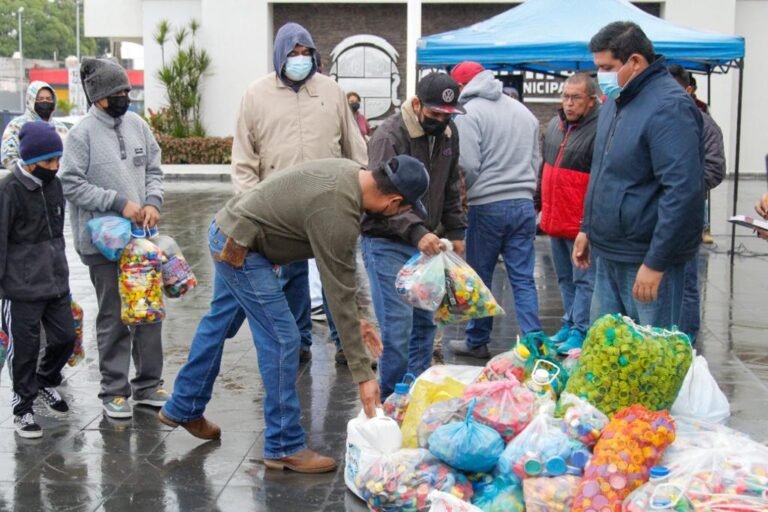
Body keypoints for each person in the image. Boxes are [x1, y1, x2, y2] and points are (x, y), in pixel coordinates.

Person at [159, 155, 429, 473]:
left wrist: (355, 322)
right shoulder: (338, 213)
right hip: (242, 246)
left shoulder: (350, 173)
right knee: (283, 339)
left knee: (221, 322)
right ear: (393, 202)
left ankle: (184, 406)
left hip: (230, 229)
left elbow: (337, 287)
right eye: (403, 209)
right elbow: (339, 290)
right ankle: (283, 445)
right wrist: (365, 376)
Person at [231, 22, 367, 363]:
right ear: (280, 55)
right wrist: (250, 209)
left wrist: (361, 191)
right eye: (294, 53)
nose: (300, 59)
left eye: (306, 53)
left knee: (338, 273)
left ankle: (346, 344)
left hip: (330, 202)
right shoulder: (256, 95)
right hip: (281, 209)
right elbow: (244, 159)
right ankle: (299, 341)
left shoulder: (331, 91)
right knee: (291, 276)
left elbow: (355, 147)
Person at [573, 22, 704, 329]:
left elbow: (682, 191)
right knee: (607, 349)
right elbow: (603, 170)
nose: (601, 76)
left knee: (652, 352)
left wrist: (656, 262)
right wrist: (588, 227)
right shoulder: (616, 101)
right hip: (610, 250)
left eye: (607, 67)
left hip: (645, 257)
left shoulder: (669, 107)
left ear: (635, 62)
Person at [59, 58, 167, 419]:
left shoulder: (138, 125)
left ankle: (149, 385)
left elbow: (154, 169)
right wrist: (117, 202)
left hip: (142, 241)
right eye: (118, 92)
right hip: (102, 245)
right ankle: (114, 390)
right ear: (99, 96)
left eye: (127, 90)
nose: (125, 96)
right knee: (113, 316)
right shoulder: (81, 134)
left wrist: (152, 202)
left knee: (148, 312)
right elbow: (70, 183)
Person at [363, 72, 467, 396]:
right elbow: (381, 198)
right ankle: (390, 399)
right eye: (435, 113)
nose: (442, 121)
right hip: (386, 240)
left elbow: (451, 183)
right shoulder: (389, 137)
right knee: (397, 328)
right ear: (417, 104)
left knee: (425, 324)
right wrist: (417, 231)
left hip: (428, 242)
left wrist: (456, 228)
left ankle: (415, 393)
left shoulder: (448, 134)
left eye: (448, 115)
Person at [445, 61, 543, 359]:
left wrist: (466, 195)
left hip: (487, 205)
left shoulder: (468, 113)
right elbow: (536, 160)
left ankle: (477, 340)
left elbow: (468, 164)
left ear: (460, 86)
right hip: (523, 203)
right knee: (523, 278)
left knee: (480, 276)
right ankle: (534, 343)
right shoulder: (523, 112)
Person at [0, 122, 75, 438]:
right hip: (20, 289)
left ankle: (45, 380)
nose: (55, 167)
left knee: (66, 339)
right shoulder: (8, 191)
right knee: (24, 351)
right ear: (30, 160)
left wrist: (62, 275)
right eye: (48, 161)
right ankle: (23, 410)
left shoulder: (54, 185)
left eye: (58, 160)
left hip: (56, 284)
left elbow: (57, 234)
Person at [534, 73, 600, 354]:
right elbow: (545, 168)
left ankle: (580, 329)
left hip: (579, 222)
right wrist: (539, 204)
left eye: (576, 98)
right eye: (566, 96)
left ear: (591, 101)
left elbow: (599, 181)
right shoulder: (554, 125)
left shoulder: (599, 129)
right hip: (556, 217)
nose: (569, 103)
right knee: (564, 277)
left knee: (584, 279)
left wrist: (588, 223)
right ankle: (569, 322)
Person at [668, 64, 726, 344]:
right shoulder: (656, 119)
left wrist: (682, 190)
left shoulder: (704, 124)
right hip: (652, 214)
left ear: (688, 90)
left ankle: (686, 339)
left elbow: (714, 169)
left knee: (685, 280)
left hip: (686, 213)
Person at [1, 81, 69, 170]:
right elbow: (8, 157)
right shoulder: (16, 126)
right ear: (31, 100)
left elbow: (69, 156)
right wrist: (28, 171)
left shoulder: (61, 128)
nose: (45, 102)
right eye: (40, 99)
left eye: (48, 99)